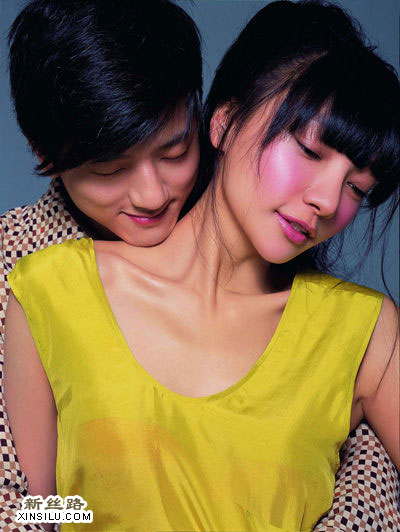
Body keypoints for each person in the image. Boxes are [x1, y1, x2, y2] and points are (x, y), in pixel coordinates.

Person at [3, 1, 400, 531]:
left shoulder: (364, 331)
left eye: (357, 188)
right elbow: (36, 511)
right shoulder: (51, 289)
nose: (328, 201)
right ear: (224, 121)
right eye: (309, 151)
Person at [0, 0, 202, 529]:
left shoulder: (249, 228)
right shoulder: (13, 269)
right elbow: (18, 504)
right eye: (110, 170)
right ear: (43, 152)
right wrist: (108, 511)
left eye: (175, 152)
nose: (152, 194)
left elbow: (358, 452)